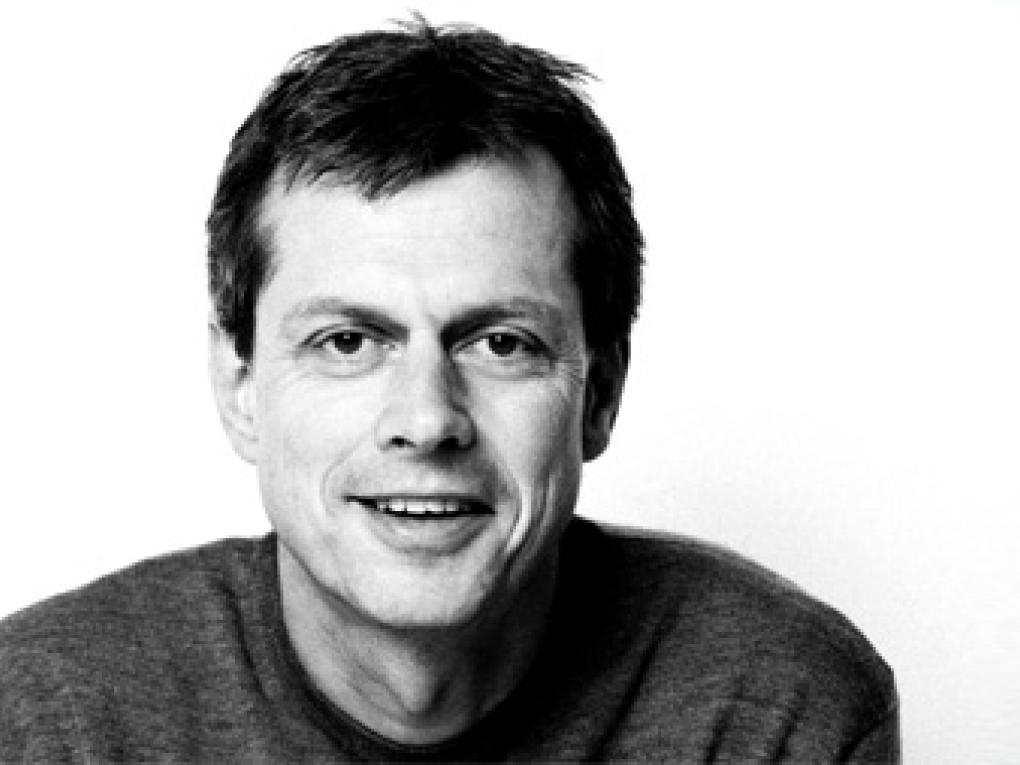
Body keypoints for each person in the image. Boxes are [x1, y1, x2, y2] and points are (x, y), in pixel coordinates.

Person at [0, 18, 898, 762]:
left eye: (501, 343)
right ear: (241, 386)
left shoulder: (779, 710)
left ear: (600, 393)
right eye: (348, 342)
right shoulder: (46, 721)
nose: (427, 419)